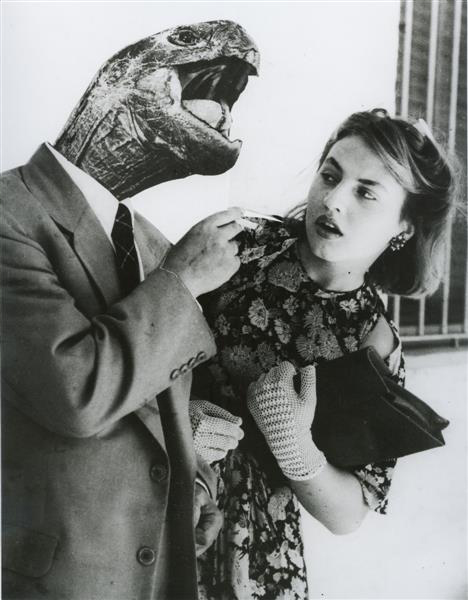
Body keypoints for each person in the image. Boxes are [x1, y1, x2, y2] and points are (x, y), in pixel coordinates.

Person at [1, 20, 258, 600]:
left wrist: (198, 486)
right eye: (184, 47)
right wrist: (183, 281)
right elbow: (76, 393)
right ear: (118, 78)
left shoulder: (151, 242)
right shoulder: (7, 211)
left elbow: (154, 411)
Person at [189, 109, 456, 600]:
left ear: (405, 225)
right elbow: (138, 329)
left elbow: (350, 512)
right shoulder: (240, 244)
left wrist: (295, 446)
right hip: (161, 489)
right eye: (330, 176)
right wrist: (171, 419)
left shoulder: (372, 341)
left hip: (252, 549)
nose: (333, 200)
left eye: (366, 192)